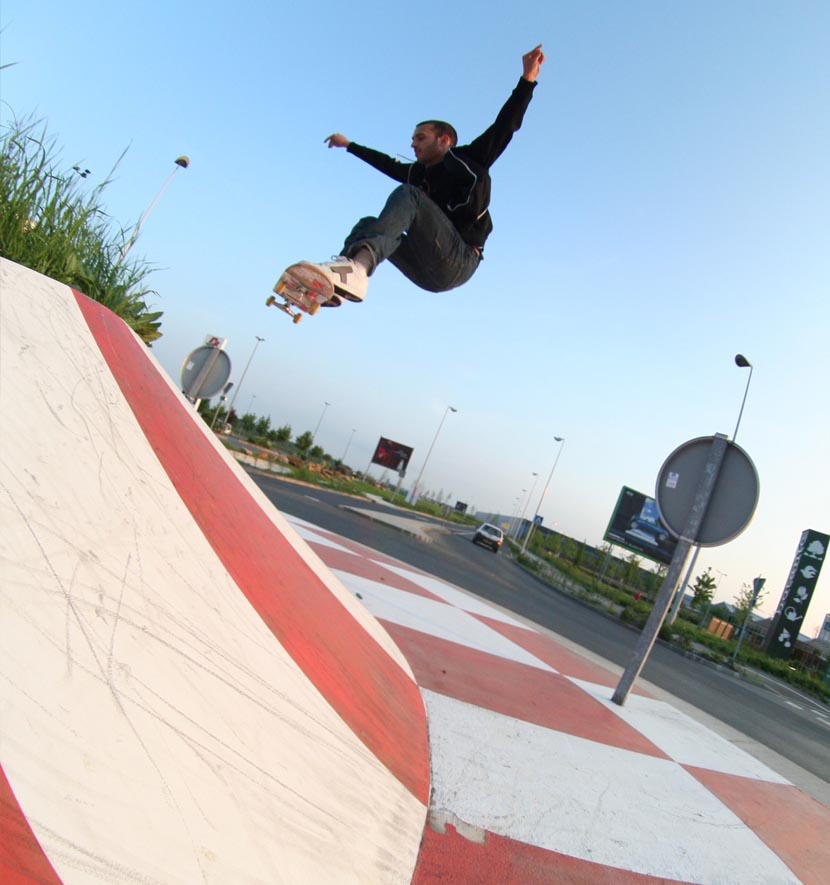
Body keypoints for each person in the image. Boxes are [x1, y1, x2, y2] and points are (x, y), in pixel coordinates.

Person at [299, 44, 545, 306]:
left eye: (420, 138)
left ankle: (356, 273)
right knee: (366, 225)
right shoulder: (418, 174)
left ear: (444, 140)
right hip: (425, 265)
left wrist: (527, 79)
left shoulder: (470, 158)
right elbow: (386, 164)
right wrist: (349, 145)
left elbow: (505, 126)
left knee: (409, 195)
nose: (413, 145)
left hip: (459, 259)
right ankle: (335, 287)